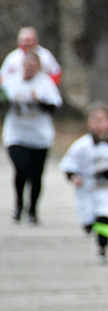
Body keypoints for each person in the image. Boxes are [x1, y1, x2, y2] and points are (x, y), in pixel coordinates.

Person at [1, 51, 62, 223]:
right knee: (22, 167)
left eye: (34, 67)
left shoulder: (45, 83)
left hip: (39, 135)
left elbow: (54, 108)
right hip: (16, 133)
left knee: (36, 174)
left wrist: (39, 100)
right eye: (28, 66)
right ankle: (19, 203)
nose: (30, 70)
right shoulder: (11, 82)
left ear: (39, 68)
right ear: (23, 65)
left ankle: (33, 209)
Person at [59, 102, 108, 263]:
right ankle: (89, 225)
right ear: (88, 123)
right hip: (87, 189)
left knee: (104, 215)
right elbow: (69, 163)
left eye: (103, 120)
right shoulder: (82, 145)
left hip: (106, 189)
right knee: (87, 218)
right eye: (95, 120)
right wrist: (73, 176)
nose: (99, 124)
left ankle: (103, 246)